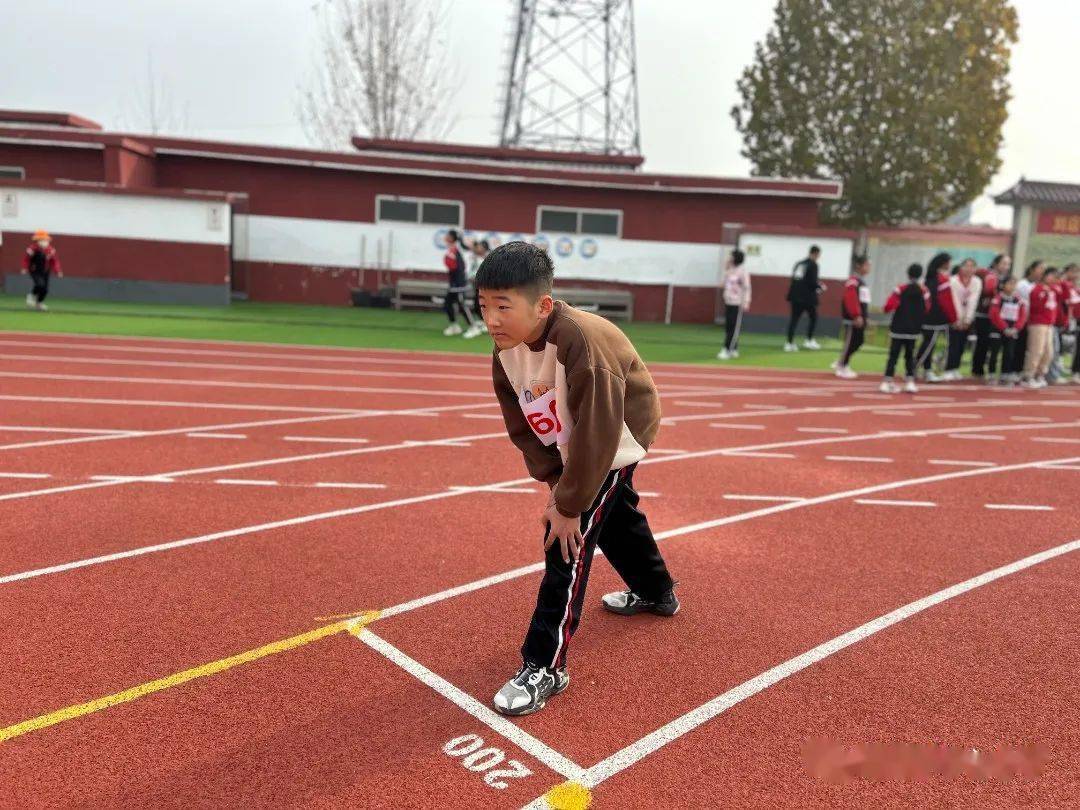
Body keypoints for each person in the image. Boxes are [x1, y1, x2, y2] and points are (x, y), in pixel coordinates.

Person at [476, 241, 678, 717]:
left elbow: (600, 431)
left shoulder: (582, 342)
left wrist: (567, 507)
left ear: (542, 305)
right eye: (484, 306)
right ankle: (657, 591)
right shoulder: (505, 353)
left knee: (566, 540)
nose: (491, 319)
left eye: (504, 306)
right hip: (578, 438)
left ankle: (544, 665)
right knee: (618, 515)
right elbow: (522, 423)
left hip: (617, 434)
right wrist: (554, 481)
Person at [880, 263, 930, 393]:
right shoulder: (924, 291)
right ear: (921, 275)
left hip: (898, 327)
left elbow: (888, 306)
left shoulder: (900, 289)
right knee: (910, 356)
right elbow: (927, 308)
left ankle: (887, 381)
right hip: (913, 329)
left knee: (893, 355)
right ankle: (910, 382)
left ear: (908, 274)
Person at [914, 252, 958, 382]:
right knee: (929, 344)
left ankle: (927, 370)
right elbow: (947, 301)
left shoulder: (927, 278)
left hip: (925, 315)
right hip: (936, 317)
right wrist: (953, 318)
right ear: (944, 263)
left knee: (929, 344)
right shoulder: (942, 280)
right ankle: (913, 368)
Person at [971, 253, 1011, 380]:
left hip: (998, 316)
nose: (1006, 266)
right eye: (1004, 263)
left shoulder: (1006, 279)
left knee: (993, 344)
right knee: (982, 342)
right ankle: (977, 370)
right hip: (983, 314)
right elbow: (985, 291)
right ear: (995, 263)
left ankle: (992, 370)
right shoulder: (986, 275)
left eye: (1008, 264)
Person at [834, 255, 871, 379]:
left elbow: (863, 301)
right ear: (859, 266)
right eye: (866, 265)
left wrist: (865, 317)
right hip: (853, 319)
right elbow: (851, 299)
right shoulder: (853, 281)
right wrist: (856, 315)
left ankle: (842, 361)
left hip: (860, 318)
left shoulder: (862, 282)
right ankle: (841, 366)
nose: (869, 268)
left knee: (859, 341)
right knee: (850, 342)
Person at [1022, 266, 1060, 388]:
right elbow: (1035, 306)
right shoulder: (1037, 289)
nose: (1054, 279)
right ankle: (1029, 375)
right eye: (1052, 276)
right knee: (1036, 350)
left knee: (1048, 352)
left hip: (1049, 324)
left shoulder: (1053, 290)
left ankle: (1040, 374)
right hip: (1038, 323)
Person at [944, 258, 981, 380]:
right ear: (961, 267)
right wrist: (957, 319)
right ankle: (948, 368)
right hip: (954, 317)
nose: (969, 269)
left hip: (967, 317)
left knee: (962, 344)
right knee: (953, 343)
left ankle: (955, 368)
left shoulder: (977, 282)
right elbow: (953, 300)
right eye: (966, 266)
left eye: (972, 266)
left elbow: (973, 300)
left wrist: (968, 319)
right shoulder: (953, 281)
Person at [988, 275, 1027, 387]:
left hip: (1012, 330)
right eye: (1009, 283)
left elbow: (1022, 315)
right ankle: (991, 374)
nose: (1012, 286)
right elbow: (994, 314)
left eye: (1014, 284)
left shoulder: (1018, 300)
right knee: (994, 353)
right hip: (998, 329)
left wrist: (1016, 328)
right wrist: (1004, 328)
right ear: (1003, 285)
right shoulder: (998, 298)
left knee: (1009, 353)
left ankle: (1005, 374)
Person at [784, 245, 824, 351]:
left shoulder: (799, 264)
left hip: (794, 295)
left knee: (794, 319)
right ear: (815, 253)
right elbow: (812, 282)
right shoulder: (813, 265)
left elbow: (795, 279)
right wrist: (820, 287)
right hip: (807, 297)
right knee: (813, 317)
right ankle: (809, 340)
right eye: (819, 254)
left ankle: (789, 343)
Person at [441, 229, 479, 338]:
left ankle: (473, 327)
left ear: (452, 238)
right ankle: (454, 326)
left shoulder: (457, 249)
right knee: (447, 303)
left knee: (462, 305)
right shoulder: (451, 249)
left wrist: (460, 281)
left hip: (459, 283)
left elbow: (458, 266)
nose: (446, 237)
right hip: (453, 282)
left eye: (448, 235)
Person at [717, 249, 750, 360]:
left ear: (736, 258)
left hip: (737, 303)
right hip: (728, 301)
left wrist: (746, 302)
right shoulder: (729, 271)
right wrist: (726, 269)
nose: (729, 258)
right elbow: (721, 285)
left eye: (731, 256)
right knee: (728, 326)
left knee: (733, 327)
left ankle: (727, 349)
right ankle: (734, 348)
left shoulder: (743, 272)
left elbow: (747, 288)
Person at [20, 229, 62, 311]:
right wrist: (24, 268)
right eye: (42, 240)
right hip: (35, 270)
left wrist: (58, 271)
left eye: (46, 240)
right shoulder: (32, 249)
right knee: (40, 284)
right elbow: (26, 259)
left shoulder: (50, 250)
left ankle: (39, 303)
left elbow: (54, 261)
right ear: (37, 241)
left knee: (45, 289)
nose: (44, 242)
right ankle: (31, 295)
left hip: (45, 271)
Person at [465, 239, 491, 338]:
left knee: (479, 305)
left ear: (484, 248)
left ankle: (486, 323)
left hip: (485, 286)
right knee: (477, 306)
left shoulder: (488, 258)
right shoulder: (476, 257)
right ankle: (483, 322)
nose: (478, 248)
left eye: (480, 246)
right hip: (477, 285)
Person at [1063, 263, 1080, 383]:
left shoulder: (1076, 288)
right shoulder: (1063, 285)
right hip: (1067, 320)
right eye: (1073, 271)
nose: (1075, 275)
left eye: (1077, 272)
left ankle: (1075, 372)